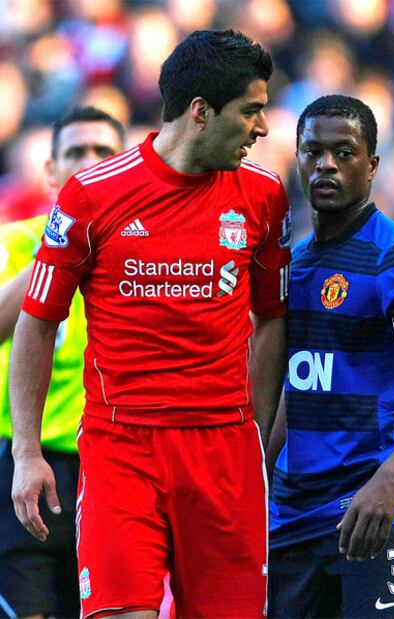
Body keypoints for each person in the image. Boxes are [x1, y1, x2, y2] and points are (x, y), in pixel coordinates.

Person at [9, 29, 290, 619]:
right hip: (122, 448)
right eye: (252, 110)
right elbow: (36, 321)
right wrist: (28, 451)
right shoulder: (92, 195)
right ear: (200, 112)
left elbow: (273, 319)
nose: (262, 128)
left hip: (224, 451)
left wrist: (258, 435)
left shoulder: (263, 196)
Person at [268, 94, 394, 618]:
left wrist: (391, 478)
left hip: (374, 511)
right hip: (291, 518)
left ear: (371, 165)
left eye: (344, 152)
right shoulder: (293, 266)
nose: (325, 164)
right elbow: (294, 386)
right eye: (312, 151)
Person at [0, 106, 125, 619]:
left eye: (103, 153)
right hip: (20, 458)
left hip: (111, 464)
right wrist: (59, 244)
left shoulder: (139, 250)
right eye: (75, 153)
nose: (87, 163)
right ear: (50, 171)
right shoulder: (16, 241)